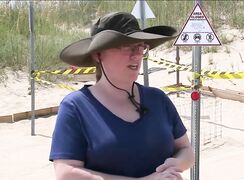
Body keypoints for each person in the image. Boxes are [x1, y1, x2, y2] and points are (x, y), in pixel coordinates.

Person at [49, 12, 194, 180]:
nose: (137, 54)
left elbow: (185, 149)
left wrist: (175, 165)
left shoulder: (158, 99)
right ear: (98, 55)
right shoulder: (76, 106)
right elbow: (66, 173)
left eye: (141, 47)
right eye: (126, 46)